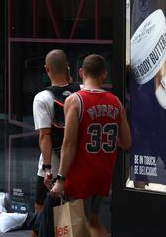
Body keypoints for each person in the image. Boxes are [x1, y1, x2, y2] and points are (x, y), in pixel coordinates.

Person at [51, 54, 131, 237]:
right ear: (104, 75)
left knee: (70, 229)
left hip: (80, 176)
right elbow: (126, 142)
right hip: (103, 175)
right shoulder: (116, 102)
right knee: (93, 221)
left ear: (81, 73)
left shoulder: (75, 100)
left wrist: (60, 178)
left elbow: (69, 144)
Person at [31, 49, 80, 237]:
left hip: (52, 167)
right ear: (67, 66)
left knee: (40, 212)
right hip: (74, 166)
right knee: (68, 218)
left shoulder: (42, 98)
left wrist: (47, 168)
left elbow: (45, 135)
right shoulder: (81, 92)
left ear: (46, 69)